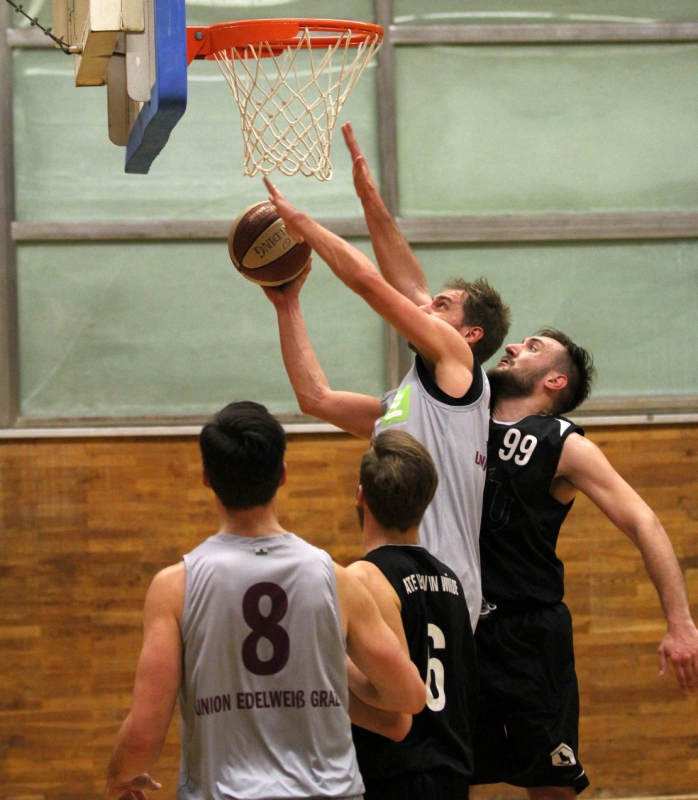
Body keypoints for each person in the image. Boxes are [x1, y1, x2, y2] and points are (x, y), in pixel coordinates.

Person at [103, 400, 426, 800]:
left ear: (206, 479)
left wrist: (119, 775)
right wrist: (332, 671)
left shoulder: (174, 587)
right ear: (282, 475)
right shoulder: (335, 579)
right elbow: (409, 696)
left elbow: (145, 733)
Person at [261, 163, 510, 630]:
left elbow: (372, 284)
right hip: (404, 577)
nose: (424, 306)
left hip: (441, 582)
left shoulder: (458, 366)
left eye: (441, 305)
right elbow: (315, 397)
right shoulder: (412, 399)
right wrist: (287, 302)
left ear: (471, 334)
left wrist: (304, 225)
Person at [473, 328, 698, 799]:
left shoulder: (563, 443)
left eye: (532, 347)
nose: (512, 347)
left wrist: (680, 623)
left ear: (555, 381)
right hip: (460, 626)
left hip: (528, 633)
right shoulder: (461, 417)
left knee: (552, 785)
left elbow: (643, 522)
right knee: (445, 775)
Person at [347, 429, 478, 799]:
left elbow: (387, 701)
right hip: (453, 773)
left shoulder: (365, 578)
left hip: (396, 773)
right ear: (427, 501)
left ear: (361, 496)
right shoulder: (451, 581)